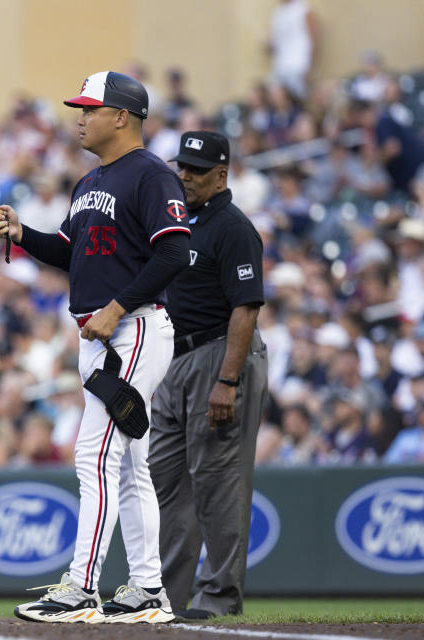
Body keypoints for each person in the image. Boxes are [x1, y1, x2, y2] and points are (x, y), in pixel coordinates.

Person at [0, 71, 190, 624]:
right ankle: (149, 588)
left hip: (134, 327)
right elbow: (70, 251)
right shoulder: (89, 181)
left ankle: (81, 587)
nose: (79, 117)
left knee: (94, 456)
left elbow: (174, 255)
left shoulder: (151, 175)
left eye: (89, 108)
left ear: (121, 116)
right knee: (128, 467)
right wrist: (21, 233)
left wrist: (119, 308)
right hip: (102, 330)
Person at [149, 131, 268, 620]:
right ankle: (162, 597)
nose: (186, 176)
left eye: (197, 170)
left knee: (218, 481)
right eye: (182, 166)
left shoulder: (234, 227)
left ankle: (217, 597)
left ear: (222, 174)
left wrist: (228, 380)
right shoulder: (177, 223)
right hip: (173, 360)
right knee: (163, 482)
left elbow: (246, 307)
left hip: (220, 351)